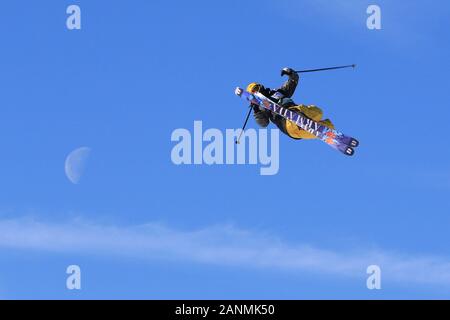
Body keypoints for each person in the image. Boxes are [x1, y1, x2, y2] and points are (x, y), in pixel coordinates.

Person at [235, 67, 334, 140]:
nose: (256, 92)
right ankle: (324, 131)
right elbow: (263, 123)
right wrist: (256, 108)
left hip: (297, 111)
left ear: (261, 87)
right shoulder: (260, 107)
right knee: (312, 131)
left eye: (256, 89)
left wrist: (291, 73)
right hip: (289, 127)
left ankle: (325, 129)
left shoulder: (277, 92)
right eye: (253, 92)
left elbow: (292, 83)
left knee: (318, 112)